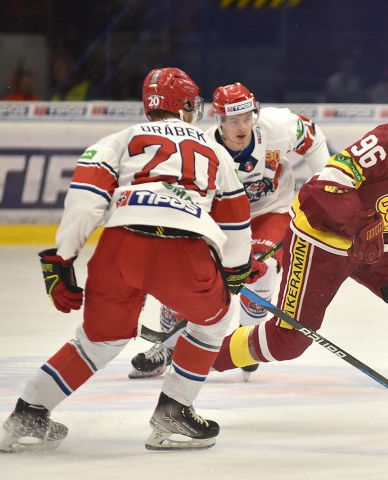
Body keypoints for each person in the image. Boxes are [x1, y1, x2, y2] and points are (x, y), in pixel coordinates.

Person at [210, 73, 388, 427]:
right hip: (322, 239)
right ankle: (200, 357)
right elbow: (327, 184)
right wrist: (359, 225)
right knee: (287, 342)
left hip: (373, 242)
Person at [0, 67, 252, 453]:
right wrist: (235, 269)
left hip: (119, 247)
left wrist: (61, 259)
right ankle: (174, 410)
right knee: (214, 321)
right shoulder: (213, 148)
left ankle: (28, 412)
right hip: (181, 250)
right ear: (184, 105)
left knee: (98, 340)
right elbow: (235, 218)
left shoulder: (118, 139)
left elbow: (85, 202)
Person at [129, 82, 331, 381]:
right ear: (219, 120)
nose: (242, 127)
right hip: (223, 219)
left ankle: (246, 340)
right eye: (234, 121)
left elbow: (312, 137)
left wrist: (327, 188)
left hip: (270, 210)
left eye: (248, 118)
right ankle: (170, 346)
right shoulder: (202, 149)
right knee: (188, 277)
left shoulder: (278, 127)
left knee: (263, 267)